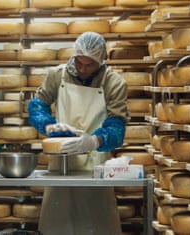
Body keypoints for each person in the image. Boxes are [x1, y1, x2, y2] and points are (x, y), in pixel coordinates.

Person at [28, 31, 129, 235]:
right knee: (58, 223)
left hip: (95, 162)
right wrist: (47, 125)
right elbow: (37, 106)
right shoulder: (57, 75)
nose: (83, 69)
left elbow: (117, 126)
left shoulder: (114, 83)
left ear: (102, 59)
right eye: (79, 62)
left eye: (89, 64)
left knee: (96, 223)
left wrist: (94, 141)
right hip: (61, 161)